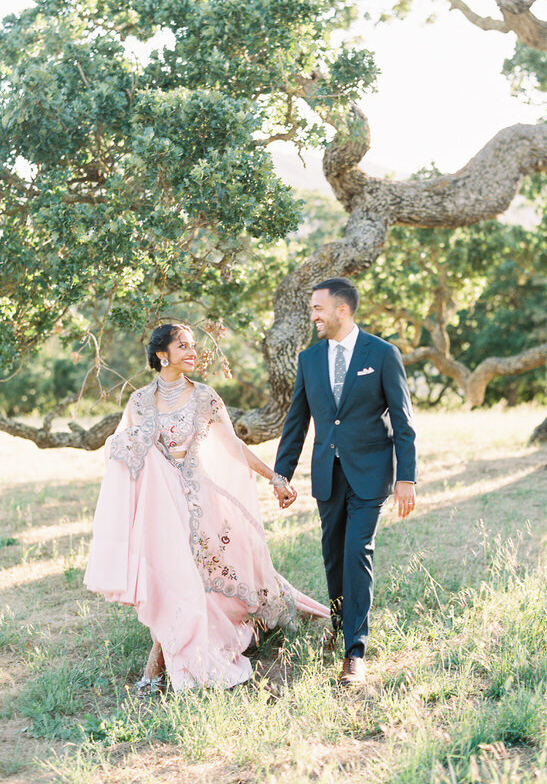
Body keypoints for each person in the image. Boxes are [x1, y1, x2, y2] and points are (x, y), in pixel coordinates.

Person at [84, 323, 329, 694]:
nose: (192, 351)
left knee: (234, 581)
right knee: (175, 584)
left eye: (193, 345)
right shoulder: (139, 402)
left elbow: (233, 446)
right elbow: (126, 453)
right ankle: (156, 669)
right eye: (182, 346)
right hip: (160, 513)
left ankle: (297, 617)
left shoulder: (204, 397)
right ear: (161, 354)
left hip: (204, 506)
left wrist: (274, 477)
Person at [274, 278, 417, 685]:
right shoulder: (310, 359)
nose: (313, 315)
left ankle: (356, 649)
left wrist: (407, 478)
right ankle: (340, 623)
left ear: (343, 310)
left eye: (318, 308)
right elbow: (297, 421)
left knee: (357, 552)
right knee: (334, 556)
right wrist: (281, 473)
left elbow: (404, 423)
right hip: (327, 474)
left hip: (371, 473)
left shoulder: (382, 354)